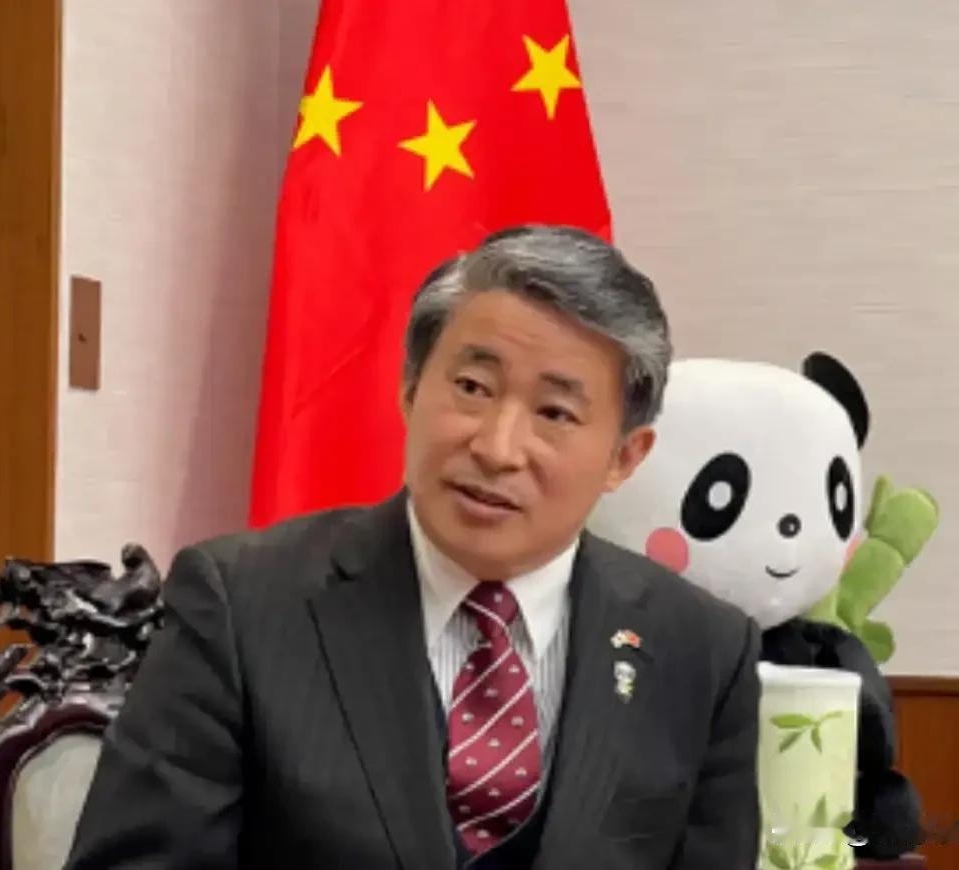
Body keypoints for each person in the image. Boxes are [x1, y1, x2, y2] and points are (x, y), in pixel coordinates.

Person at [65, 225, 762, 869]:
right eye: (472, 387)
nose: (496, 448)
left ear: (625, 457)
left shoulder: (702, 650)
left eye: (555, 412)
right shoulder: (239, 604)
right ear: (409, 388)